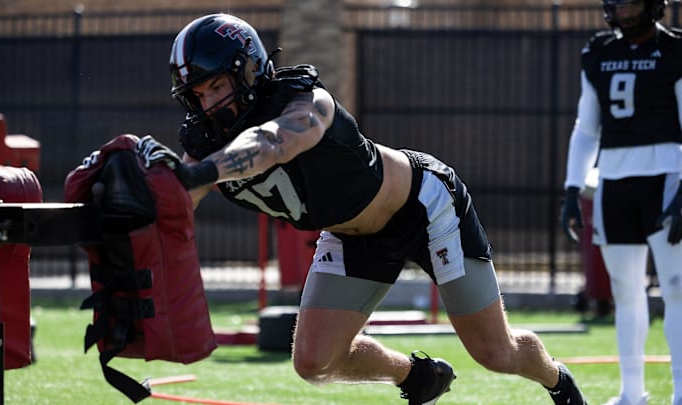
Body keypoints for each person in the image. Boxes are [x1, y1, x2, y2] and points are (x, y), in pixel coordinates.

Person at [137, 13, 587, 405]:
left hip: (424, 207)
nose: (209, 104)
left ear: (250, 70)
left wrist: (202, 172)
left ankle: (557, 379)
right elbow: (169, 207)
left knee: (496, 353)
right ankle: (418, 377)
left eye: (217, 85)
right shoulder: (205, 151)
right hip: (351, 235)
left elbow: (272, 144)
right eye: (197, 95)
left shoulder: (306, 103)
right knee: (313, 362)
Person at [560, 1, 682, 404]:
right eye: (617, 3)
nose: (623, 11)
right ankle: (632, 393)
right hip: (613, 180)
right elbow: (586, 126)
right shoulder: (598, 52)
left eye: (631, 2)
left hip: (667, 176)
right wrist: (572, 187)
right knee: (625, 291)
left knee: (677, 288)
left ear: (653, 5)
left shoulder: (676, 49)